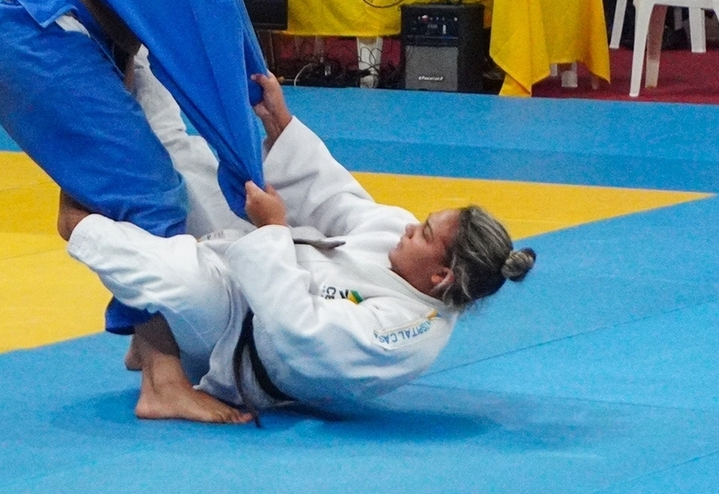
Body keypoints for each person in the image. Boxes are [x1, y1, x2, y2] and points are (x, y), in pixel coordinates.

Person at [0, 0, 331, 416]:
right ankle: (162, 381)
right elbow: (209, 74)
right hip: (40, 41)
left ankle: (143, 339)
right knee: (152, 196)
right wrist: (250, 179)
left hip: (25, 24)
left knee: (131, 188)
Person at [64, 61, 536, 423]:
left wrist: (272, 232)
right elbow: (335, 197)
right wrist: (281, 124)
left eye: (425, 234)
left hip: (232, 341)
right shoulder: (396, 236)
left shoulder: (406, 335)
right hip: (253, 262)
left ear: (441, 276)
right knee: (187, 161)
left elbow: (296, 331)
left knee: (177, 273)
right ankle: (133, 49)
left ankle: (81, 227)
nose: (410, 228)